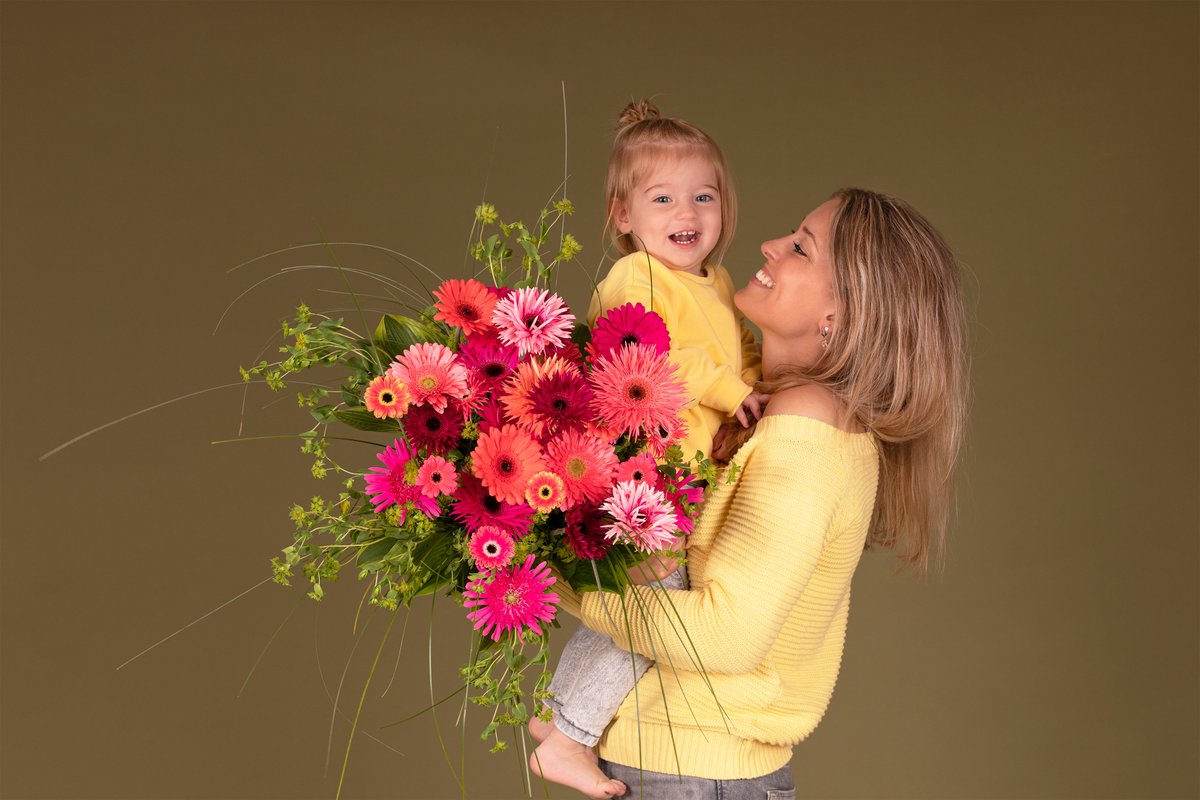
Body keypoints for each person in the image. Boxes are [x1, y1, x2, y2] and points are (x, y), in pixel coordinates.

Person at [550, 188, 969, 798]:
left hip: (692, 775)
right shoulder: (770, 409)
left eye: (801, 248)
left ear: (840, 315)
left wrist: (553, 582)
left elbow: (724, 634)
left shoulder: (808, 424)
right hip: (678, 767)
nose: (770, 245)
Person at [527, 100, 763, 798]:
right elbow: (652, 353)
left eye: (703, 196)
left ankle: (557, 717)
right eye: (662, 198)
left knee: (645, 604)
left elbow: (741, 351)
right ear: (623, 216)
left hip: (688, 480)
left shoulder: (716, 282)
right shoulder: (637, 279)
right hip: (644, 480)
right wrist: (732, 389)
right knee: (652, 616)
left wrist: (764, 382)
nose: (685, 211)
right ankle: (571, 737)